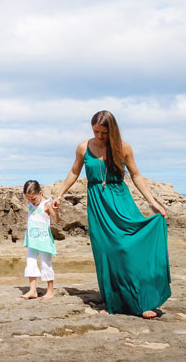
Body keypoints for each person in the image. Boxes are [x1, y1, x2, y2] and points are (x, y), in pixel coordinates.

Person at [54, 111, 170, 318]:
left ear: (112, 130)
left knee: (128, 249)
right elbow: (74, 171)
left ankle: (142, 301)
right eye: (96, 131)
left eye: (104, 132)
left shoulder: (123, 148)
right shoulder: (83, 147)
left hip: (120, 199)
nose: (99, 136)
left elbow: (135, 174)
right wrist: (60, 194)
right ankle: (114, 299)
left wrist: (152, 202)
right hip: (98, 204)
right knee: (106, 252)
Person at [20, 180, 59, 300]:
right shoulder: (31, 204)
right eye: (28, 199)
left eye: (33, 198)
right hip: (32, 240)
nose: (31, 201)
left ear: (40, 193)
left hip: (44, 240)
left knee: (45, 264)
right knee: (30, 263)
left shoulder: (47, 204)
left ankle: (50, 290)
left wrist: (55, 212)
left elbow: (56, 221)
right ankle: (33, 290)